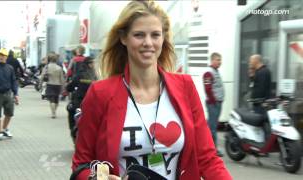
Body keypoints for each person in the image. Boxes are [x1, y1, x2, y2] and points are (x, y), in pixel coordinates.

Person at [71, 1, 232, 180]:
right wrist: (95, 178)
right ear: (124, 38)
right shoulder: (100, 93)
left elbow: (207, 159)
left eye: (155, 35)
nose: (148, 43)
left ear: (163, 38)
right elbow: (81, 164)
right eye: (139, 35)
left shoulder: (185, 87)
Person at [66, 56, 98, 143]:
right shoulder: (97, 75)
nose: (95, 65)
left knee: (71, 110)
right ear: (90, 65)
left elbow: (70, 86)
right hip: (94, 102)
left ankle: (73, 131)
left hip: (80, 101)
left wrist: (68, 88)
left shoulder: (80, 74)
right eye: (94, 63)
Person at [0, 48, 19, 140]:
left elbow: (14, 81)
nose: (1, 56)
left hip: (8, 93)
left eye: (3, 55)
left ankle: (4, 129)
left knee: (10, 113)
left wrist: (16, 94)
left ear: (6, 56)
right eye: (0, 54)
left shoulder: (10, 68)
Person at [203, 52, 224, 157]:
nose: (220, 62)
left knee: (211, 125)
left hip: (217, 103)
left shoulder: (215, 71)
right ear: (212, 60)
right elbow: (208, 89)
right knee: (213, 127)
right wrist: (214, 101)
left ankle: (205, 146)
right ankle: (213, 150)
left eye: (220, 60)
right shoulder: (209, 72)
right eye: (218, 60)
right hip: (213, 104)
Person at [40, 52, 65, 118]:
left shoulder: (47, 67)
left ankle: (53, 112)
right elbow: (62, 78)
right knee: (56, 100)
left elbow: (42, 76)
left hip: (50, 84)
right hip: (58, 85)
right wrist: (63, 87)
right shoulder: (59, 68)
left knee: (52, 100)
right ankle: (54, 111)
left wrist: (40, 83)